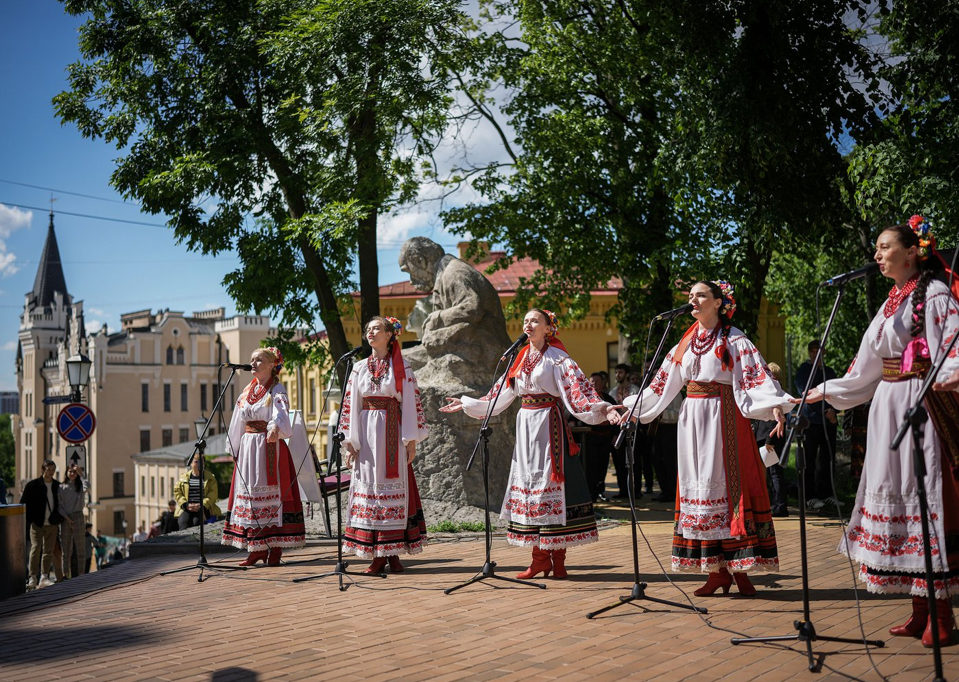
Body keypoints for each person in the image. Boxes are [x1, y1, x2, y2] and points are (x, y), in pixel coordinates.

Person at [801, 217, 959, 647]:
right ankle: (918, 610)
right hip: (888, 407)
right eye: (876, 248)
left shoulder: (935, 293)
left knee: (924, 498)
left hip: (922, 405)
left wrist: (935, 375)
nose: (876, 255)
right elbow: (865, 366)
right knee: (895, 498)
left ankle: (942, 615)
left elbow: (953, 349)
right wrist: (822, 390)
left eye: (885, 246)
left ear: (912, 251)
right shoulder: (892, 299)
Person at [608, 281, 792, 597]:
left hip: (724, 419)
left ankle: (741, 569)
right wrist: (632, 408)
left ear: (719, 303)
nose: (693, 300)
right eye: (690, 296)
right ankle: (717, 571)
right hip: (692, 421)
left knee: (728, 489)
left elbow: (756, 378)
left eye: (701, 295)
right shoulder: (686, 342)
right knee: (702, 493)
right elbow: (661, 384)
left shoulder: (734, 339)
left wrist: (775, 405)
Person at [443, 309, 611, 579]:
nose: (528, 325)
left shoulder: (559, 358)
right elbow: (498, 396)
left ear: (548, 328)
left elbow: (579, 392)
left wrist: (604, 409)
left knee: (551, 487)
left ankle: (559, 559)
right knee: (531, 488)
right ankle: (540, 559)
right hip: (526, 426)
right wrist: (466, 403)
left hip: (548, 425)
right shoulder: (519, 359)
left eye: (535, 321)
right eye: (526, 321)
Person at [341, 316, 429, 573]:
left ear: (390, 334)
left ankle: (390, 552)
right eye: (368, 329)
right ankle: (380, 553)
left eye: (376, 328)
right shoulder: (358, 367)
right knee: (370, 487)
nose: (370, 332)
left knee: (391, 487)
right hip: (367, 431)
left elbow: (411, 403)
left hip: (392, 429)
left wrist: (411, 440)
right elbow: (351, 404)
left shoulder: (402, 366)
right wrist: (350, 440)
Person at [222, 346, 306, 566]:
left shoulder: (276, 390)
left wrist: (275, 428)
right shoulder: (246, 391)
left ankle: (274, 548)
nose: (253, 363)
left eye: (259, 360)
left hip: (268, 448)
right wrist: (234, 447)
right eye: (252, 359)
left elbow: (281, 416)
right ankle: (256, 548)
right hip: (249, 448)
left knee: (271, 497)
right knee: (251, 499)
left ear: (271, 365)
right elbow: (237, 422)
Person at [794, 339, 839, 509]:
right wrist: (825, 410)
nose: (815, 354)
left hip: (828, 422)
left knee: (828, 459)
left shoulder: (829, 371)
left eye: (818, 351)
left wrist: (833, 411)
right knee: (810, 460)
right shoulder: (804, 371)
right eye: (812, 351)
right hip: (811, 421)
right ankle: (809, 496)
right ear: (809, 353)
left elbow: (835, 392)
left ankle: (826, 493)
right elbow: (805, 393)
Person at [20, 460, 69, 589]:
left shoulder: (57, 486)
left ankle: (44, 577)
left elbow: (62, 503)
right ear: (43, 470)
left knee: (48, 551)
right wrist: (30, 519)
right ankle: (32, 577)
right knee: (35, 548)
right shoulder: (33, 485)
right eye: (49, 469)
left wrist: (60, 519)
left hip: (52, 524)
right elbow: (23, 503)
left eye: (53, 469)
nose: (51, 472)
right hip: (37, 523)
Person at [754, 363, 789, 517]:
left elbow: (772, 421)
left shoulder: (774, 394)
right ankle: (775, 503)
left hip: (770, 439)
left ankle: (780, 505)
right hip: (770, 438)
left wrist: (769, 440)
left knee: (775, 473)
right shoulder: (777, 392)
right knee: (773, 473)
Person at [584, 371, 616, 501]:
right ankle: (591, 492)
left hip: (605, 436)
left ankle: (600, 491)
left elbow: (616, 417)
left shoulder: (608, 399)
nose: (595, 384)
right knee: (591, 465)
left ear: (603, 384)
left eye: (598, 382)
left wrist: (614, 435)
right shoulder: (585, 400)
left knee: (603, 466)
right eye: (593, 382)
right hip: (591, 437)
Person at [611, 363, 641, 499]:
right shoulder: (612, 392)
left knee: (635, 461)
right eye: (616, 372)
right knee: (619, 462)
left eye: (621, 372)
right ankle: (623, 490)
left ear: (627, 374)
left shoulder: (635, 390)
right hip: (618, 431)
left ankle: (637, 490)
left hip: (634, 430)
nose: (618, 375)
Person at [175, 453, 222, 530]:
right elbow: (177, 492)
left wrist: (201, 505)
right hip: (187, 507)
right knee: (183, 523)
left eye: (201, 462)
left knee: (196, 523)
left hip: (203, 508)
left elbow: (213, 495)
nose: (198, 464)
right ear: (191, 464)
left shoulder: (210, 478)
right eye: (196, 462)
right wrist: (186, 505)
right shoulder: (184, 477)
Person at [59, 464, 88, 579]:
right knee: (66, 550)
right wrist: (67, 519)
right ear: (66, 473)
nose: (72, 474)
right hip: (66, 518)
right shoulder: (61, 488)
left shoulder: (80, 487)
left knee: (81, 548)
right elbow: (59, 506)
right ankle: (65, 574)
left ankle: (81, 573)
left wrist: (81, 474)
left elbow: (88, 486)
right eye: (70, 471)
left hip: (78, 516)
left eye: (74, 472)